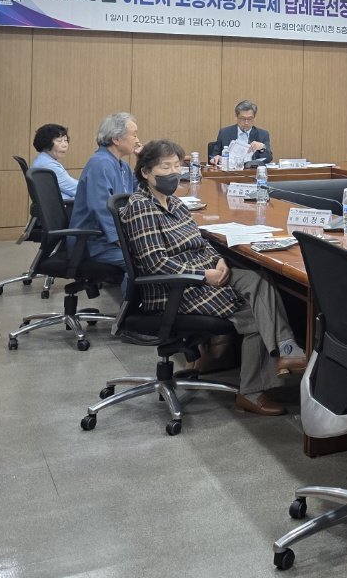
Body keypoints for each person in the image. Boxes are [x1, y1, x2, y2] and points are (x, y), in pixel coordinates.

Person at [121, 138, 304, 416]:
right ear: (146, 172)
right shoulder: (140, 206)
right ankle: (254, 390)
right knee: (257, 316)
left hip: (203, 273)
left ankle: (288, 351)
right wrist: (204, 275)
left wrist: (219, 260)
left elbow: (201, 242)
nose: (173, 173)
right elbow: (155, 262)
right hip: (175, 289)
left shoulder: (175, 203)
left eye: (176, 166)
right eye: (165, 167)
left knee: (259, 279)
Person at [69, 112, 140, 264]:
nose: (137, 140)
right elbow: (101, 208)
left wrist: (143, 162)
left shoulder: (122, 166)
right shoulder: (100, 164)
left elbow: (137, 196)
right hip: (96, 243)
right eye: (134, 135)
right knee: (144, 262)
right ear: (116, 139)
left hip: (111, 239)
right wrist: (123, 242)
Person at [211, 100, 273, 166]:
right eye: (243, 118)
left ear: (254, 118)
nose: (246, 122)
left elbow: (269, 159)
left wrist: (262, 147)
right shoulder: (224, 133)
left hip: (252, 170)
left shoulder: (262, 134)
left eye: (250, 119)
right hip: (230, 170)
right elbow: (214, 156)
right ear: (236, 117)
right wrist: (216, 158)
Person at [30, 123, 79, 200]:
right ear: (46, 143)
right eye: (59, 141)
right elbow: (75, 189)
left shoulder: (43, 160)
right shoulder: (47, 164)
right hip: (65, 205)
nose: (65, 145)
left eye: (66, 140)